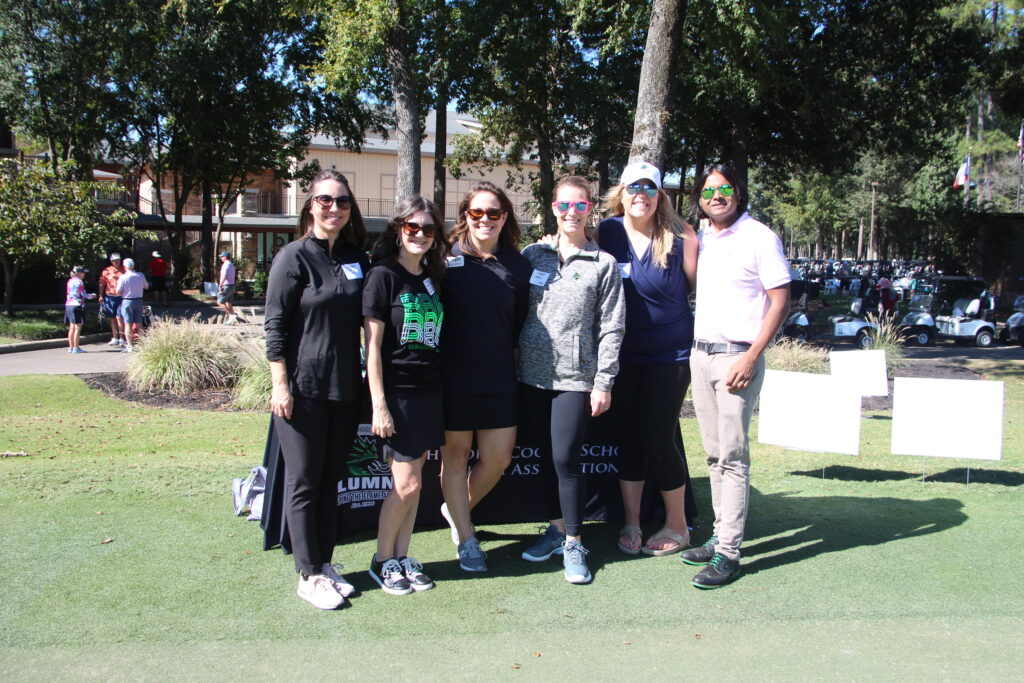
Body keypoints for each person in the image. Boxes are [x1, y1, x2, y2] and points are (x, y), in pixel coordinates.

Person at [264, 169, 369, 610]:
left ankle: (324, 564)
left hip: (345, 389)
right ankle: (307, 574)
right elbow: (274, 325)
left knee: (331, 480)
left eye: (342, 201)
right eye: (325, 200)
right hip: (303, 390)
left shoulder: (355, 257)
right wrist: (280, 386)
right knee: (305, 482)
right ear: (311, 205)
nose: (334, 208)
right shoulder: (293, 257)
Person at [681, 164, 790, 588]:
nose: (717, 196)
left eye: (725, 189)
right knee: (712, 454)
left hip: (736, 358)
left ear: (738, 194)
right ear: (700, 199)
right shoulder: (703, 236)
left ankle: (729, 552)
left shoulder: (759, 236)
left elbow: (780, 301)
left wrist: (751, 357)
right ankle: (719, 534)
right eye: (709, 191)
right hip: (701, 355)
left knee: (733, 456)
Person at [518, 176, 624, 585]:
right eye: (564, 205)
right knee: (544, 460)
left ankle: (576, 542)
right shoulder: (533, 255)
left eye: (580, 206)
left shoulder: (604, 264)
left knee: (566, 460)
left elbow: (612, 328)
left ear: (590, 210)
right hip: (530, 376)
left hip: (576, 379)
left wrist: (604, 382)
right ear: (553, 207)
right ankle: (558, 529)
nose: (571, 213)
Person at [596, 161, 697, 557]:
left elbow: (702, 288)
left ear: (660, 195)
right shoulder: (606, 232)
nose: (641, 194)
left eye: (649, 188)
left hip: (669, 354)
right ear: (621, 193)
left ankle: (678, 524)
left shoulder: (681, 235)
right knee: (629, 439)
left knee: (658, 435)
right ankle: (633, 521)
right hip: (621, 356)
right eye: (633, 187)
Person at [439, 182, 531, 573]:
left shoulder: (519, 265)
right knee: (455, 458)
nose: (484, 220)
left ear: (504, 217)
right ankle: (466, 536)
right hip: (453, 378)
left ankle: (455, 507)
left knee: (498, 458)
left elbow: (521, 324)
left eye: (493, 213)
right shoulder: (443, 258)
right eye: (477, 213)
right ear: (465, 216)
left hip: (498, 377)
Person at [363, 196, 448, 596]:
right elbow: (372, 349)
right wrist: (379, 404)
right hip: (398, 394)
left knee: (416, 483)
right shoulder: (383, 276)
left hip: (430, 391)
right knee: (407, 484)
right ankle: (382, 560)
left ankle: (402, 555)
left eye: (428, 229)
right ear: (399, 230)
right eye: (412, 227)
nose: (419, 235)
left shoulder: (432, 277)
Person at [115, 258, 149, 352]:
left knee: (128, 324)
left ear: (125, 266)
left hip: (127, 301)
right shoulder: (140, 275)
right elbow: (146, 286)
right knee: (139, 323)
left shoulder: (123, 277)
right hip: (138, 300)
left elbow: (118, 291)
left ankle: (130, 346)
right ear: (133, 265)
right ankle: (142, 344)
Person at [65, 266, 95, 353]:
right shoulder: (80, 282)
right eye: (83, 272)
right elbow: (84, 295)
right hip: (77, 305)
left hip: (69, 305)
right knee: (78, 327)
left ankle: (71, 347)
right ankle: (76, 347)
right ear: (78, 273)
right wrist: (92, 296)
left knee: (71, 327)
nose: (84, 274)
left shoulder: (70, 281)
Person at [98, 253, 126, 347]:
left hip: (120, 296)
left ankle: (122, 337)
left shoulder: (124, 270)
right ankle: (115, 337)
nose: (117, 262)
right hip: (109, 296)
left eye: (118, 260)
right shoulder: (107, 271)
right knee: (112, 317)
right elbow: (102, 284)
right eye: (115, 260)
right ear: (112, 261)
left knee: (119, 317)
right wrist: (100, 296)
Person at [218, 251, 238, 324]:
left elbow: (224, 275)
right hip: (232, 285)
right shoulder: (231, 265)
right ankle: (231, 320)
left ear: (225, 257)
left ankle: (232, 315)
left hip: (226, 286)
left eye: (222, 256)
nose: (221, 258)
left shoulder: (225, 265)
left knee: (220, 302)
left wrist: (220, 284)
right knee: (228, 303)